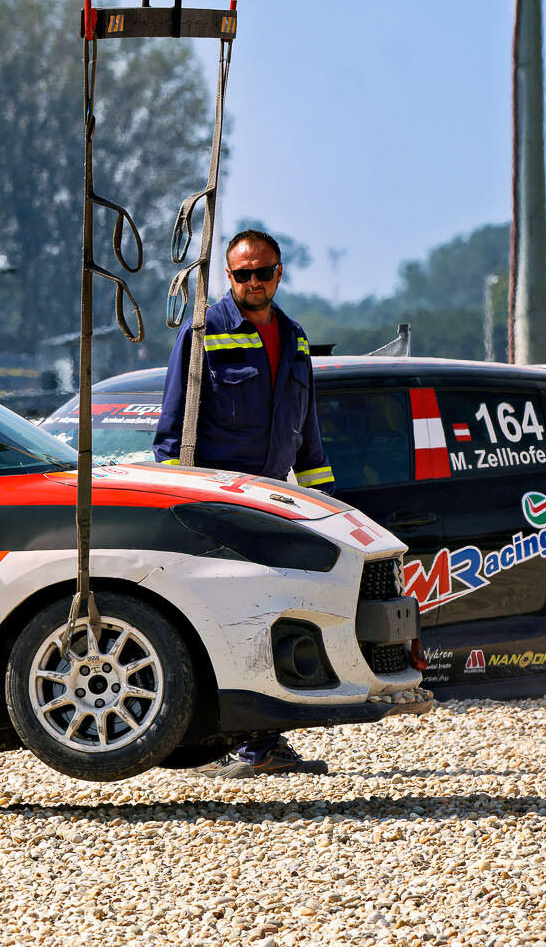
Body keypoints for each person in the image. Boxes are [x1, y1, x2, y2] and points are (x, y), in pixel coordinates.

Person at [154, 227, 334, 777]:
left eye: (263, 272)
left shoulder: (295, 337)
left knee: (269, 618)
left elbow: (307, 432)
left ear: (279, 273)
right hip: (218, 507)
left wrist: (324, 504)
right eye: (242, 274)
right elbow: (170, 435)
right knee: (227, 621)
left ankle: (262, 742)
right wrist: (178, 509)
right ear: (228, 277)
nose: (253, 282)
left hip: (272, 504)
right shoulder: (203, 332)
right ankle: (241, 744)